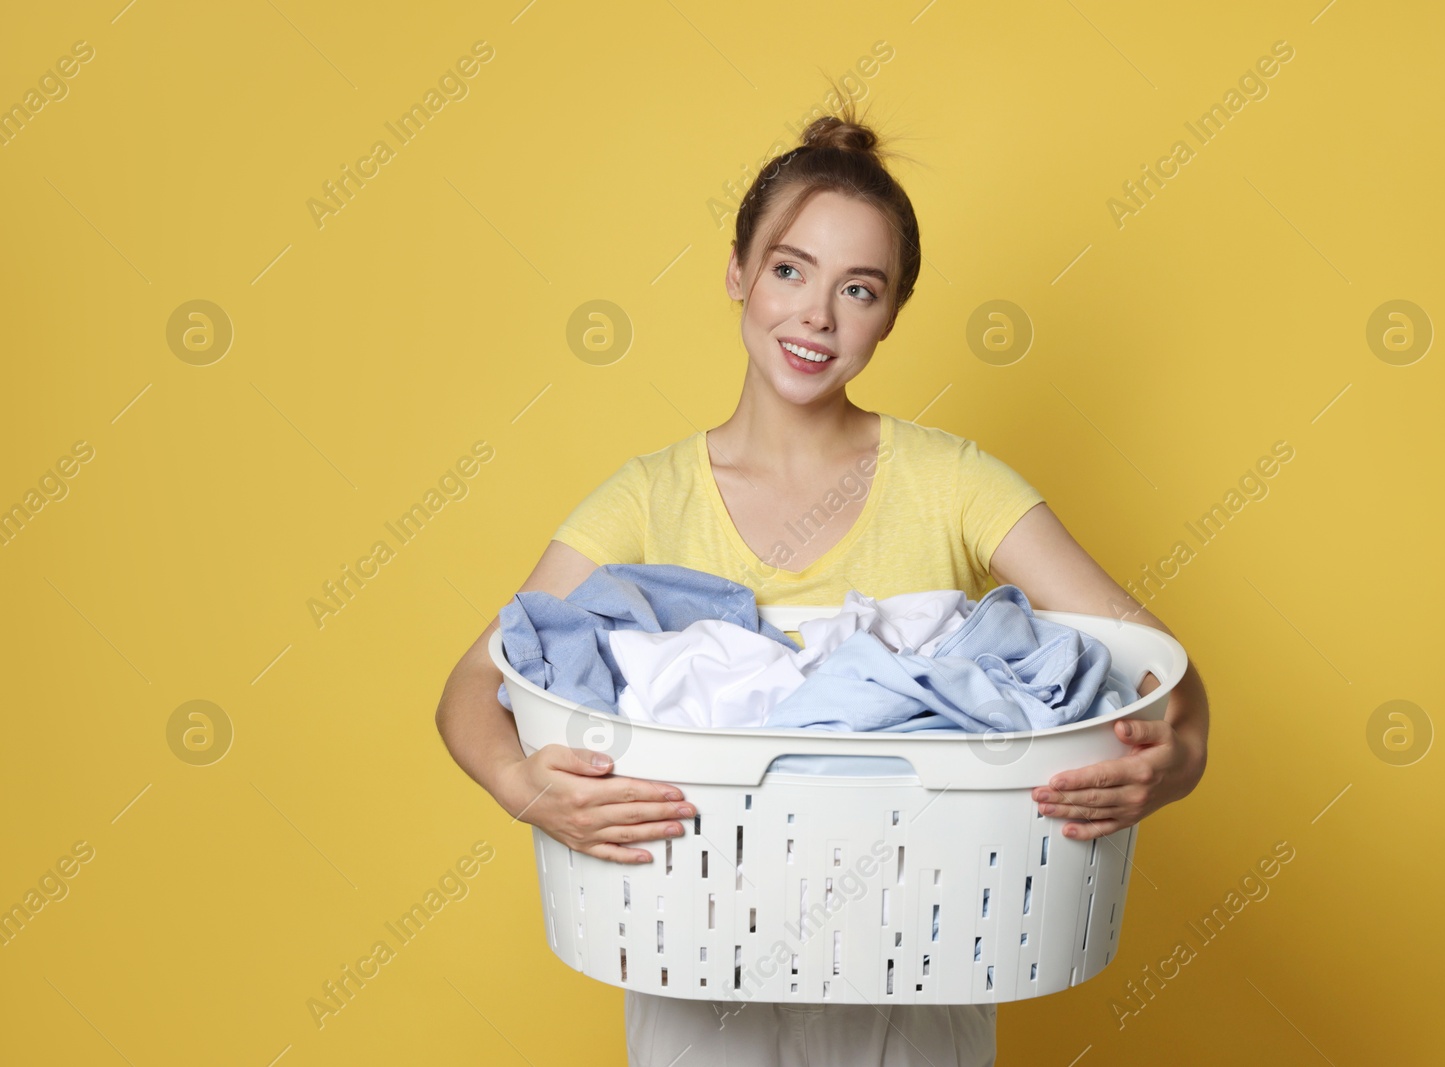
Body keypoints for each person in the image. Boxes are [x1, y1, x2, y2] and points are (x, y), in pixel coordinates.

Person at [435, 93, 1209, 1067]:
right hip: (698, 974)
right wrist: (522, 785)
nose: (815, 312)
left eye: (859, 288)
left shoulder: (953, 482)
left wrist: (1174, 762)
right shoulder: (648, 497)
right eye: (789, 270)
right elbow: (474, 683)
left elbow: (1156, 666)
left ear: (890, 313)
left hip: (920, 974)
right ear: (737, 273)